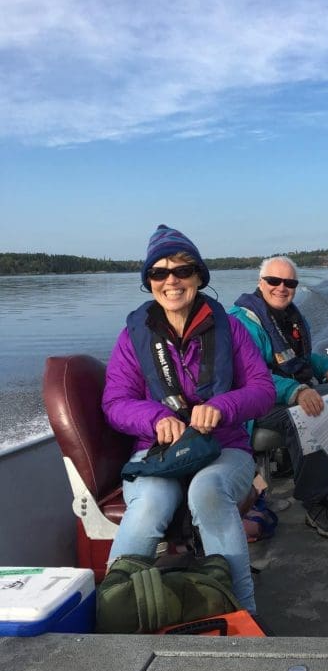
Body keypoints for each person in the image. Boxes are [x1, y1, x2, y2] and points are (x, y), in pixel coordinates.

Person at [102, 224, 275, 613]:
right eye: (159, 273)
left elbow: (262, 390)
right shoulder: (133, 336)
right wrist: (154, 417)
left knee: (207, 491)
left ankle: (242, 613)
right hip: (159, 451)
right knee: (150, 504)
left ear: (199, 276)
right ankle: (112, 609)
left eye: (182, 270)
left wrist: (223, 406)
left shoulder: (231, 329)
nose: (171, 281)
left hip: (224, 448)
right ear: (149, 282)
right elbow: (115, 401)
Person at [229, 255, 328, 539]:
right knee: (311, 414)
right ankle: (317, 504)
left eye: (289, 282)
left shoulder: (289, 317)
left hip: (293, 390)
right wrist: (296, 390)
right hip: (256, 403)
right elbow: (248, 375)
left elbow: (298, 358)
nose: (281, 287)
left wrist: (326, 367)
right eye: (273, 281)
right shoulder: (242, 322)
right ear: (260, 283)